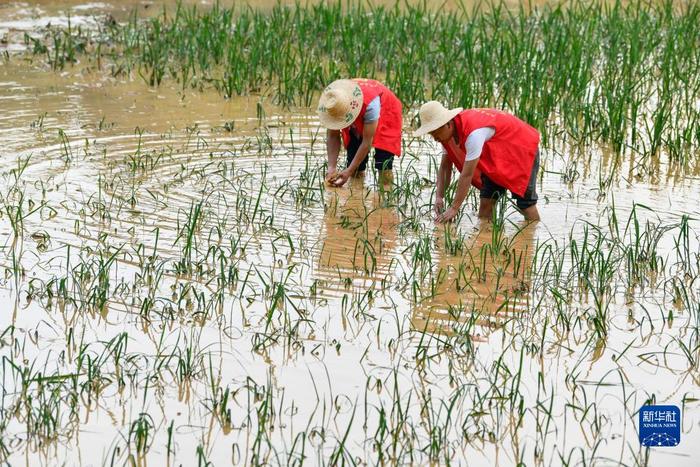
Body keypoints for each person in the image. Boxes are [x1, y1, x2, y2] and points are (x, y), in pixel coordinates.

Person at [414, 101, 541, 222]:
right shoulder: (446, 136)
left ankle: (532, 236)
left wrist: (454, 208)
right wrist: (439, 197)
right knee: (486, 204)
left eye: (436, 132)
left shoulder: (473, 134)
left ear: (448, 124)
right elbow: (445, 167)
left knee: (525, 205)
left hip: (521, 149)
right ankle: (485, 239)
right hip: (495, 154)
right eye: (431, 134)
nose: (435, 138)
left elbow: (467, 175)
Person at [316, 78, 403, 187]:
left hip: (387, 111)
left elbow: (367, 142)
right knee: (356, 169)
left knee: (383, 164)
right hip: (358, 107)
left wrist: (348, 171)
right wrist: (331, 167)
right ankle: (357, 195)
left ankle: (386, 195)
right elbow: (333, 136)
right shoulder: (334, 103)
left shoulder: (371, 106)